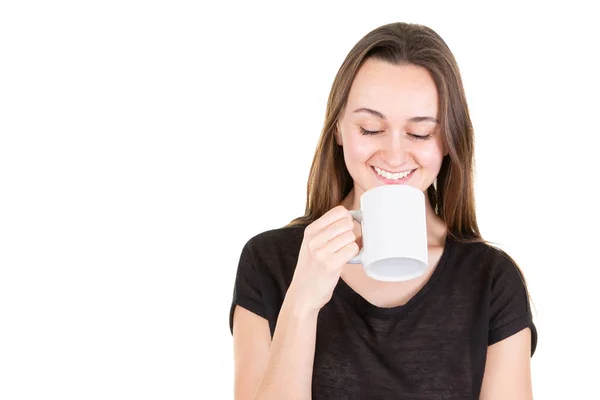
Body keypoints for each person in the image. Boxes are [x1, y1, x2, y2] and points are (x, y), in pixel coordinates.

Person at [229, 22, 537, 399]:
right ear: (339, 129)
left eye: (420, 133)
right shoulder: (269, 262)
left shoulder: (491, 279)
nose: (393, 155)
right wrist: (301, 304)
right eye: (371, 128)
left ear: (448, 141)